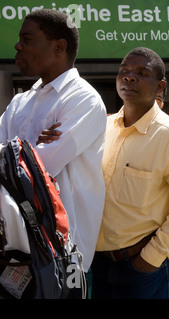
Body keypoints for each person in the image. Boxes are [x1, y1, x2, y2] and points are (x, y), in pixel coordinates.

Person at [0, 9, 107, 296]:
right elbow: (12, 165)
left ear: (59, 46)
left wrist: (21, 154)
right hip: (17, 252)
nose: (17, 46)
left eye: (27, 38)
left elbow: (36, 171)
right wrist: (29, 149)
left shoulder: (83, 99)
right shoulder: (21, 101)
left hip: (65, 256)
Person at [91, 47, 169, 299]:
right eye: (124, 71)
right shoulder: (103, 129)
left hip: (145, 269)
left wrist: (152, 257)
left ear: (160, 86)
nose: (129, 77)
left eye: (142, 73)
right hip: (100, 265)